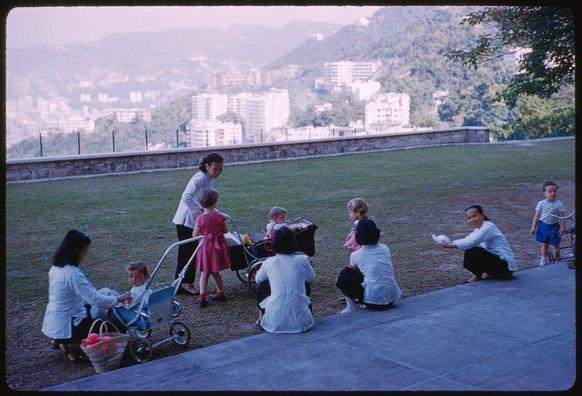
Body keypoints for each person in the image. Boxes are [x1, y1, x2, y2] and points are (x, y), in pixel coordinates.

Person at [41, 229, 132, 363]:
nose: (86, 253)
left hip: (54, 323)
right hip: (69, 325)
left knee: (99, 301)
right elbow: (95, 299)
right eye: (85, 249)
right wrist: (119, 299)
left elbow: (83, 297)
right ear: (76, 250)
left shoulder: (55, 268)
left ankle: (59, 341)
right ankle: (71, 345)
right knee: (117, 329)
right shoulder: (73, 273)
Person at [172, 152, 224, 296]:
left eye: (220, 169)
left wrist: (212, 211)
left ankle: (183, 283)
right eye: (216, 168)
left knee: (191, 251)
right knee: (188, 252)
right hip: (186, 220)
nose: (218, 172)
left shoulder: (208, 179)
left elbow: (205, 199)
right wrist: (201, 210)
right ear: (207, 166)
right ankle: (185, 284)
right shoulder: (200, 178)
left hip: (194, 219)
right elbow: (186, 197)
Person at [255, 227, 316, 333]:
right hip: (302, 322)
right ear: (293, 243)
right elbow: (311, 277)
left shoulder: (269, 262)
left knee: (263, 283)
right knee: (304, 281)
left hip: (274, 322)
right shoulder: (302, 259)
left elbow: (257, 279)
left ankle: (262, 314)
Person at [336, 218, 401, 313]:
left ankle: (350, 306)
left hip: (374, 302)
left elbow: (354, 272)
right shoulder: (385, 248)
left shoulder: (356, 254)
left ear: (358, 236)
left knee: (345, 273)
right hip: (393, 297)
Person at [439, 204, 517, 282]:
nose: (472, 219)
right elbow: (467, 239)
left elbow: (471, 242)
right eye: (469, 218)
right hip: (501, 266)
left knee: (472, 250)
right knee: (473, 250)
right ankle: (482, 274)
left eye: (474, 216)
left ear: (482, 215)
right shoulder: (479, 228)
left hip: (506, 269)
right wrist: (450, 243)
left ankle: (479, 275)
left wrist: (451, 245)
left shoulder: (488, 227)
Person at [192, 188, 231, 308]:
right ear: (215, 203)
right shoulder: (220, 216)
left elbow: (195, 235)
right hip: (218, 247)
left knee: (204, 274)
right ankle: (220, 293)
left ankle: (202, 298)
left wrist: (204, 233)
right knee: (216, 272)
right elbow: (226, 230)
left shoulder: (200, 219)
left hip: (206, 248)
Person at [90, 262, 152, 329]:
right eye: (131, 276)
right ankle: (97, 299)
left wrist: (125, 302)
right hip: (134, 309)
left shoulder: (142, 290)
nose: (134, 280)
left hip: (134, 314)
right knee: (106, 291)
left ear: (145, 276)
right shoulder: (143, 287)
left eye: (138, 277)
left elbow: (143, 304)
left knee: (105, 292)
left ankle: (94, 301)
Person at [530, 181, 565, 266]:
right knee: (544, 243)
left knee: (556, 244)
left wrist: (562, 227)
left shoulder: (559, 204)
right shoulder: (541, 203)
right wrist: (533, 227)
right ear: (544, 193)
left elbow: (562, 217)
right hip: (543, 225)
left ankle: (557, 260)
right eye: (550, 191)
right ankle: (543, 259)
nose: (553, 193)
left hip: (554, 226)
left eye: (554, 191)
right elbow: (537, 216)